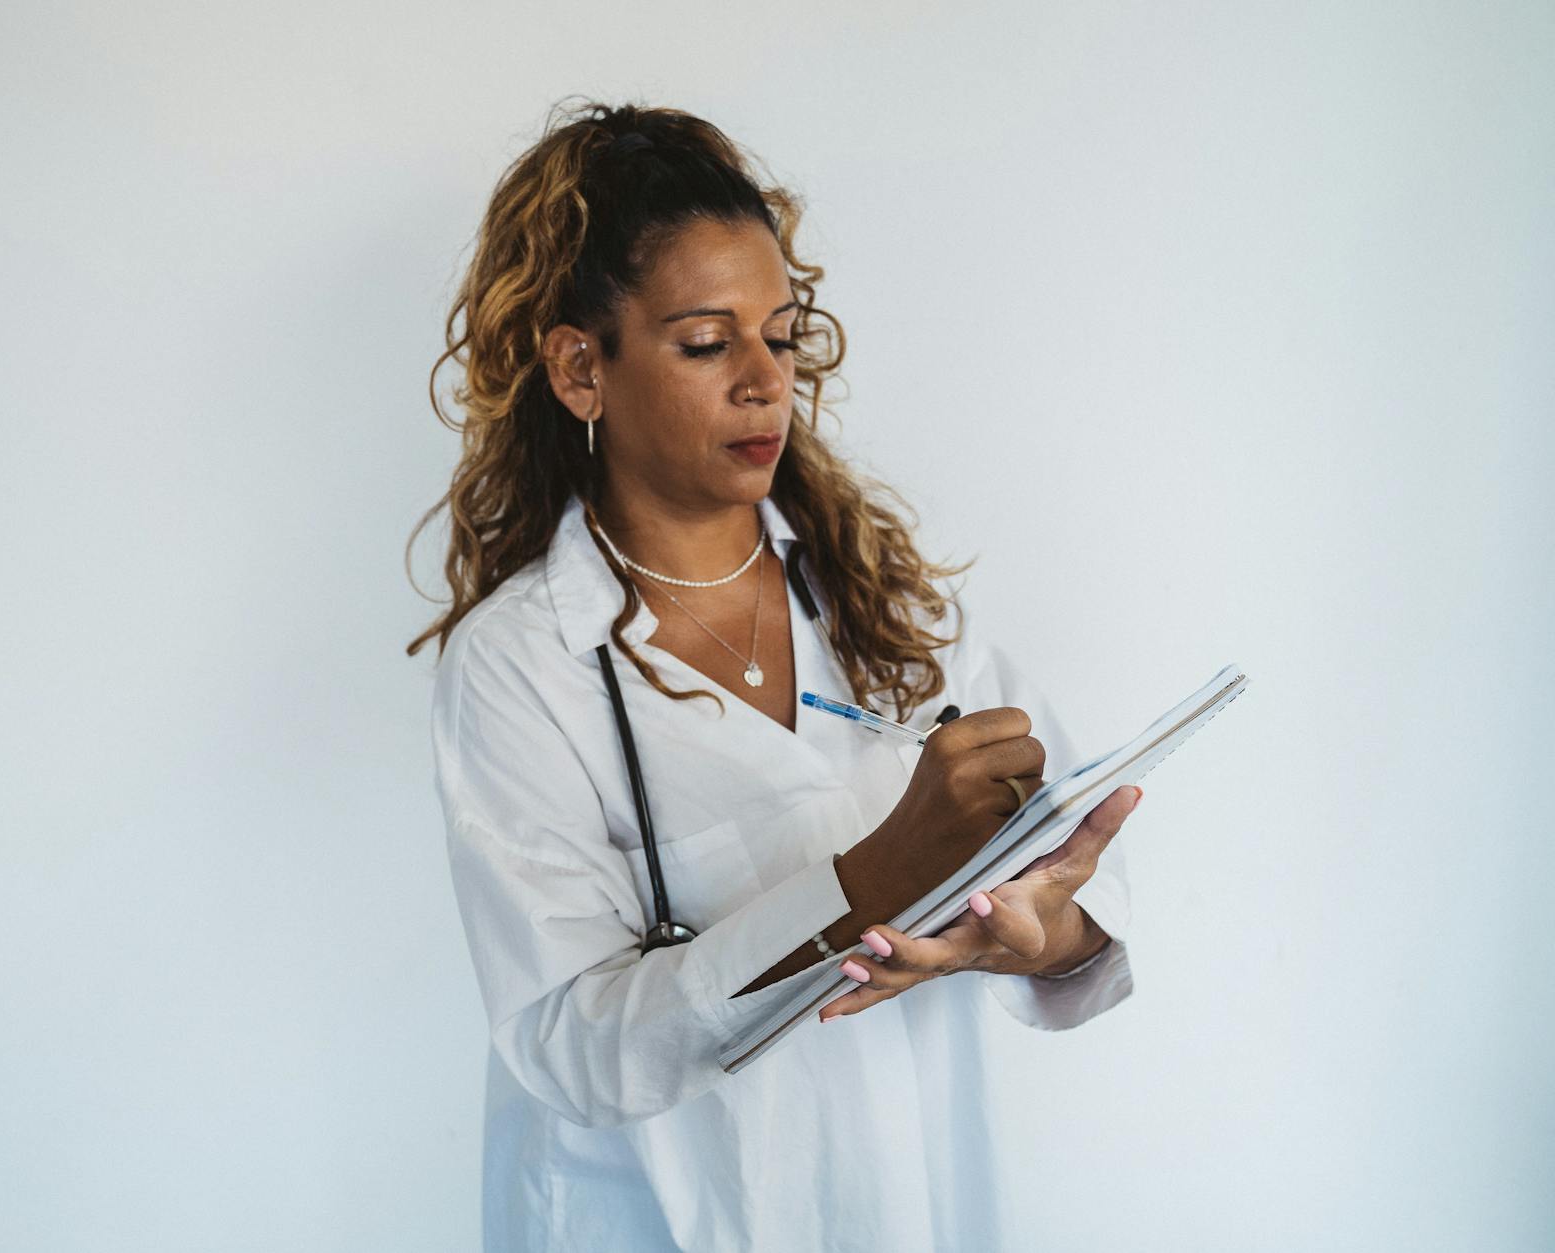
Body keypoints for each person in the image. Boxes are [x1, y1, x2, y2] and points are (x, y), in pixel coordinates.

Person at [406, 98, 1139, 1252]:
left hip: (914, 1204)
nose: (763, 380)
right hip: (650, 1218)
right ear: (579, 367)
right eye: (706, 342)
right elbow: (570, 1043)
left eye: (781, 334)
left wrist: (1041, 930)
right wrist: (869, 876)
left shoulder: (890, 601)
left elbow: (1078, 918)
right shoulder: (522, 666)